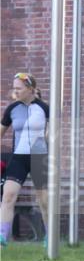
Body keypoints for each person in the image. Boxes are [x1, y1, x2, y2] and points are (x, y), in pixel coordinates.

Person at [0, 72, 50, 246]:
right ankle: (2, 238)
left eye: (19, 88)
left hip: (39, 158)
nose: (16, 91)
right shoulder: (12, 109)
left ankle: (50, 236)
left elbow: (53, 132)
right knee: (8, 196)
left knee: (43, 200)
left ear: (30, 89)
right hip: (18, 158)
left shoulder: (44, 108)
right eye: (14, 88)